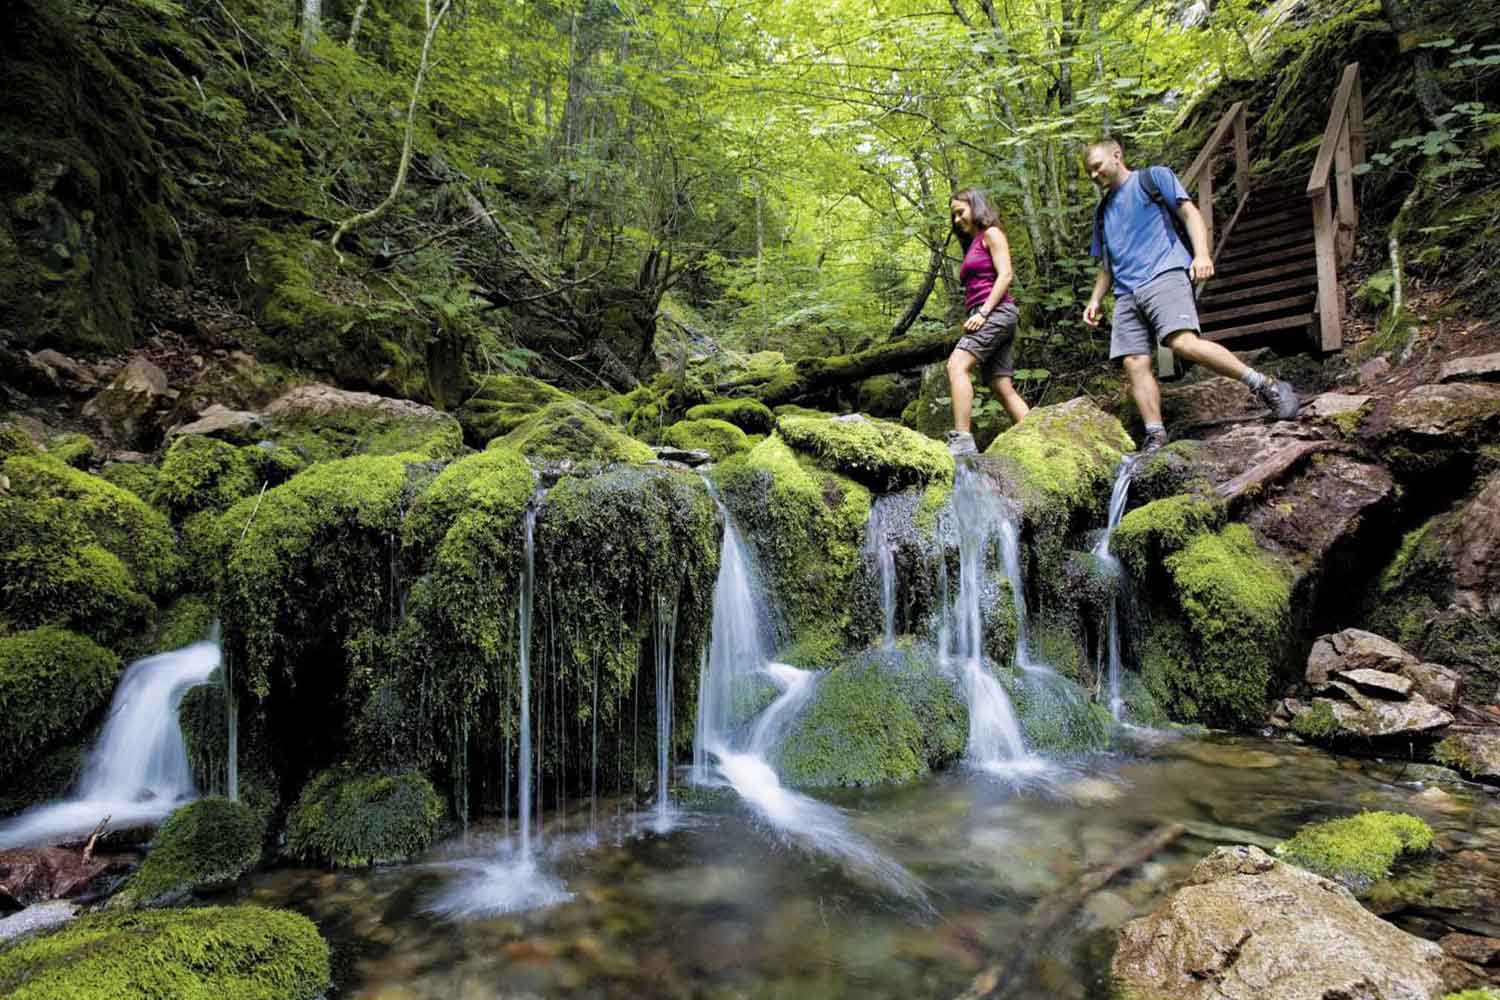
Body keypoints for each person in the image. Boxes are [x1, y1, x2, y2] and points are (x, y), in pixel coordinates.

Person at [1081, 137, 1300, 454]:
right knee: (1133, 362)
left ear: (1116, 156)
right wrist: (1095, 299)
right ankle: (1155, 435)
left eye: (1097, 167)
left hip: (1165, 273)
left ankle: (1266, 385)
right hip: (1126, 293)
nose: (1093, 175)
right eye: (1089, 171)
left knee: (1181, 343)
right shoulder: (1102, 213)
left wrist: (1201, 255)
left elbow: (1190, 214)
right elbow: (1107, 263)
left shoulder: (1152, 178)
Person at [945, 187, 1030, 457]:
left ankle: (963, 440)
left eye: (960, 212)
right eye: (953, 216)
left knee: (957, 365)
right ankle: (1039, 435)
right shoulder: (972, 244)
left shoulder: (991, 234)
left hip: (996, 313)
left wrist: (982, 313)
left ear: (975, 206)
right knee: (1000, 385)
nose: (957, 220)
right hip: (991, 314)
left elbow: (1005, 275)